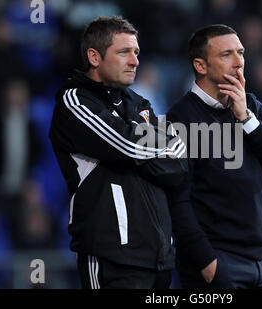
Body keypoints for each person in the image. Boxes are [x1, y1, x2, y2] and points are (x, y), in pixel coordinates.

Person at [48, 16, 187, 289]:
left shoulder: (140, 103)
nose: (135, 61)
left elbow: (180, 161)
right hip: (112, 258)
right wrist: (154, 146)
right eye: (124, 52)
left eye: (136, 52)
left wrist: (140, 151)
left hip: (159, 260)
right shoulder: (74, 100)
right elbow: (127, 144)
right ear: (94, 57)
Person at [167, 24, 262, 289]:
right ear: (201, 66)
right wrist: (208, 264)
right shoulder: (179, 120)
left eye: (241, 53)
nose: (239, 62)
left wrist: (246, 119)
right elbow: (177, 203)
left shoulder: (252, 107)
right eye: (226, 55)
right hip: (218, 266)